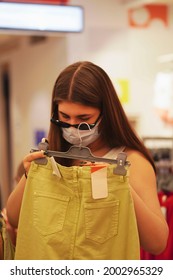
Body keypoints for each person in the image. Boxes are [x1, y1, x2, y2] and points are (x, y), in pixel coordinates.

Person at [6, 61, 168, 260]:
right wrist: (28, 176)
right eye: (64, 116)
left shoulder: (133, 162)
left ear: (105, 113)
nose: (73, 126)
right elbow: (13, 218)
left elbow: (157, 243)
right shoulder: (53, 158)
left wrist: (118, 184)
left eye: (84, 118)